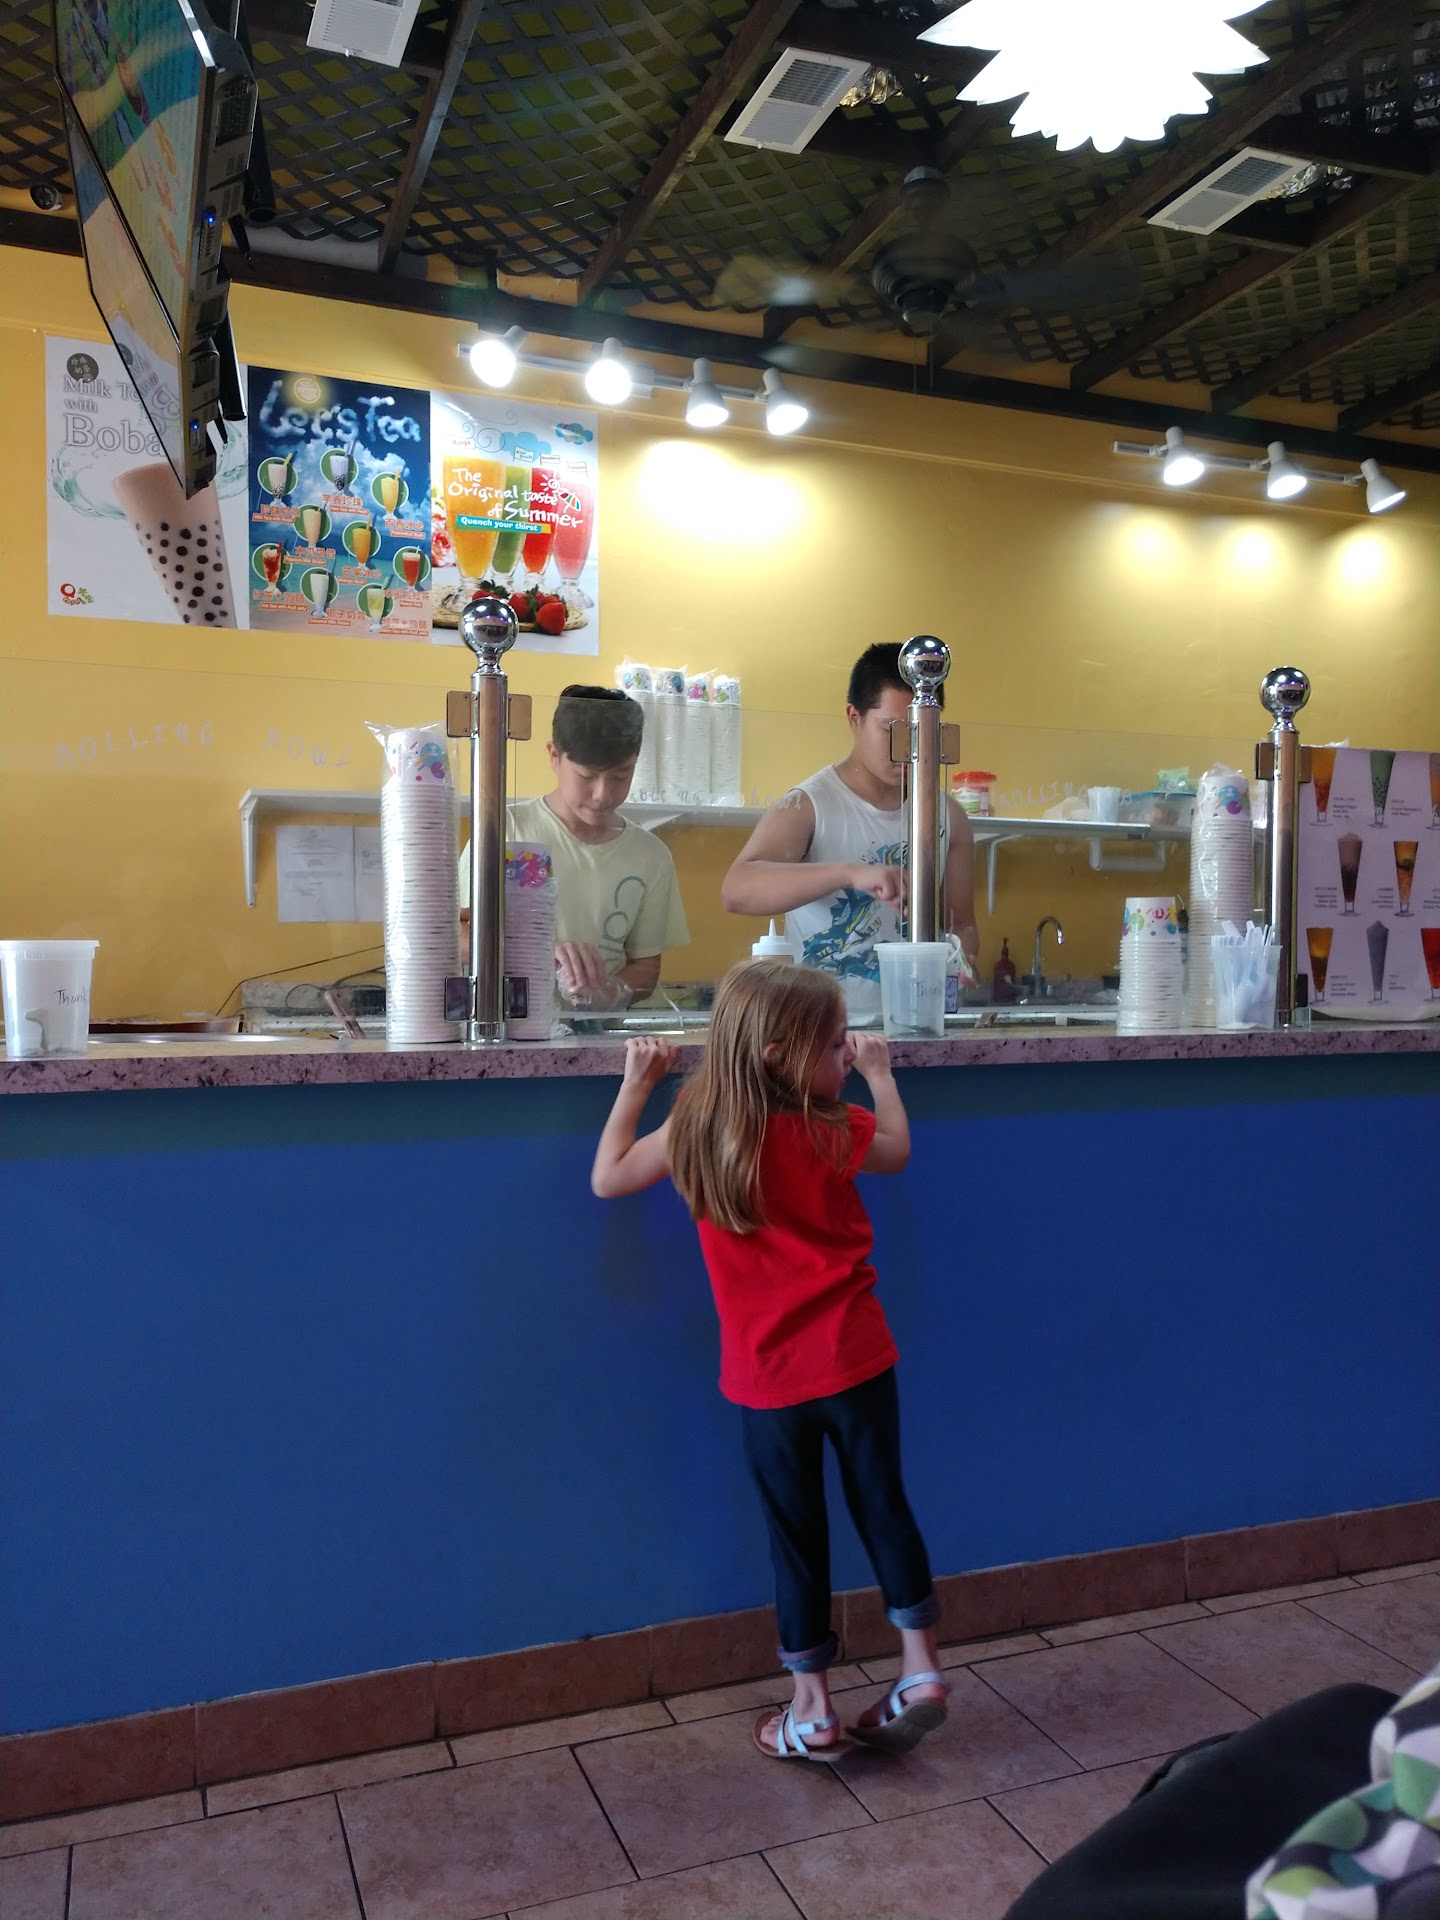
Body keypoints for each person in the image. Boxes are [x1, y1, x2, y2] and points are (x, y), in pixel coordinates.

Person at [591, 959, 948, 1761]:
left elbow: (609, 1179)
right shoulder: (833, 1125)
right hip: (857, 1358)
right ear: (781, 1056)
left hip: (768, 1379)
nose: (846, 1055)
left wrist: (636, 1086)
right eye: (835, 1045)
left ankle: (812, 1711)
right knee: (883, 1506)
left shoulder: (698, 1124)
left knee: (796, 1536)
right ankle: (921, 1669)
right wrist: (883, 1077)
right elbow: (896, 1150)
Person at [722, 643, 979, 1015]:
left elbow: (961, 923)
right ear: (854, 717)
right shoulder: (808, 806)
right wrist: (851, 873)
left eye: (919, 731)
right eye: (891, 729)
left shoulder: (949, 816)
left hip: (913, 1020)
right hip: (822, 1027)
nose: (905, 748)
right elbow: (737, 890)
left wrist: (961, 963)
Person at [460, 685, 688, 1005]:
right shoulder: (504, 831)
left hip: (599, 1032)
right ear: (554, 756)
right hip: (510, 1025)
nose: (602, 794)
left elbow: (646, 968)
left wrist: (607, 992)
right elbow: (455, 933)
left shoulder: (650, 855)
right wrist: (539, 954)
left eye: (621, 776)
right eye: (587, 776)